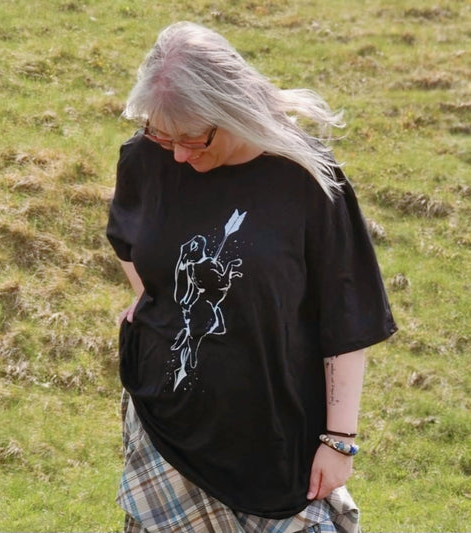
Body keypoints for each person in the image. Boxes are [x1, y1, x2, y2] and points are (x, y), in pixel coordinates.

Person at [107, 21, 397, 533]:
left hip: (276, 440)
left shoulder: (306, 179)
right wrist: (156, 299)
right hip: (165, 430)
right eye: (162, 134)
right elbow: (127, 240)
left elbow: (346, 318)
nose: (177, 153)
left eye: (192, 138)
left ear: (231, 109)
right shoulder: (144, 157)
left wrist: (338, 440)